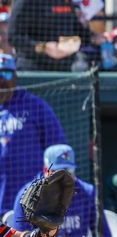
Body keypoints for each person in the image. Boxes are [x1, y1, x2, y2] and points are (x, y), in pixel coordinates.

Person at [0, 54, 67, 213]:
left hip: (31, 201)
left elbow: (58, 149)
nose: (2, 79)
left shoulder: (34, 105)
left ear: (15, 77)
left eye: (7, 73)